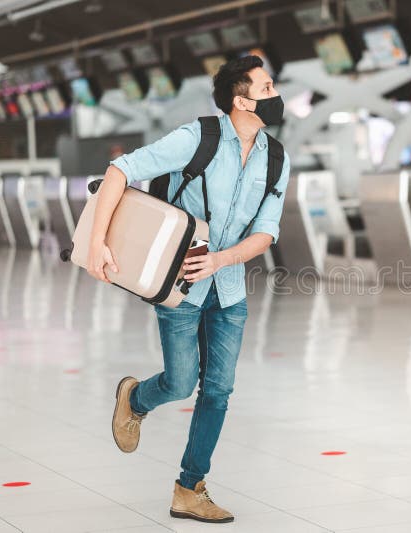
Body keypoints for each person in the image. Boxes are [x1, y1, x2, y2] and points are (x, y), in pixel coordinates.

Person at [86, 55, 289, 524]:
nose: (276, 94)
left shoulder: (276, 157)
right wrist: (97, 245)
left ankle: (189, 488)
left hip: (229, 288)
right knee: (180, 383)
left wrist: (221, 260)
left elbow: (267, 231)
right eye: (267, 86)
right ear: (241, 101)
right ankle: (135, 399)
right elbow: (121, 169)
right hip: (177, 285)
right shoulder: (197, 138)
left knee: (218, 391)